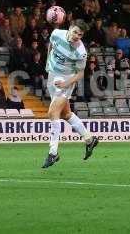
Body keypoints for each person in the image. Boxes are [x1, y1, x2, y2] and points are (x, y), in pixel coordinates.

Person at [42, 19, 98, 168]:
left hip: (66, 80)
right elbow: (51, 45)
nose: (77, 36)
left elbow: (80, 74)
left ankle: (53, 153)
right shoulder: (56, 33)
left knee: (52, 113)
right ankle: (89, 139)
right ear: (70, 28)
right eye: (75, 32)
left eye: (80, 35)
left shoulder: (81, 52)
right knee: (66, 114)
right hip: (52, 76)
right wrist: (48, 61)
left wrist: (66, 83)